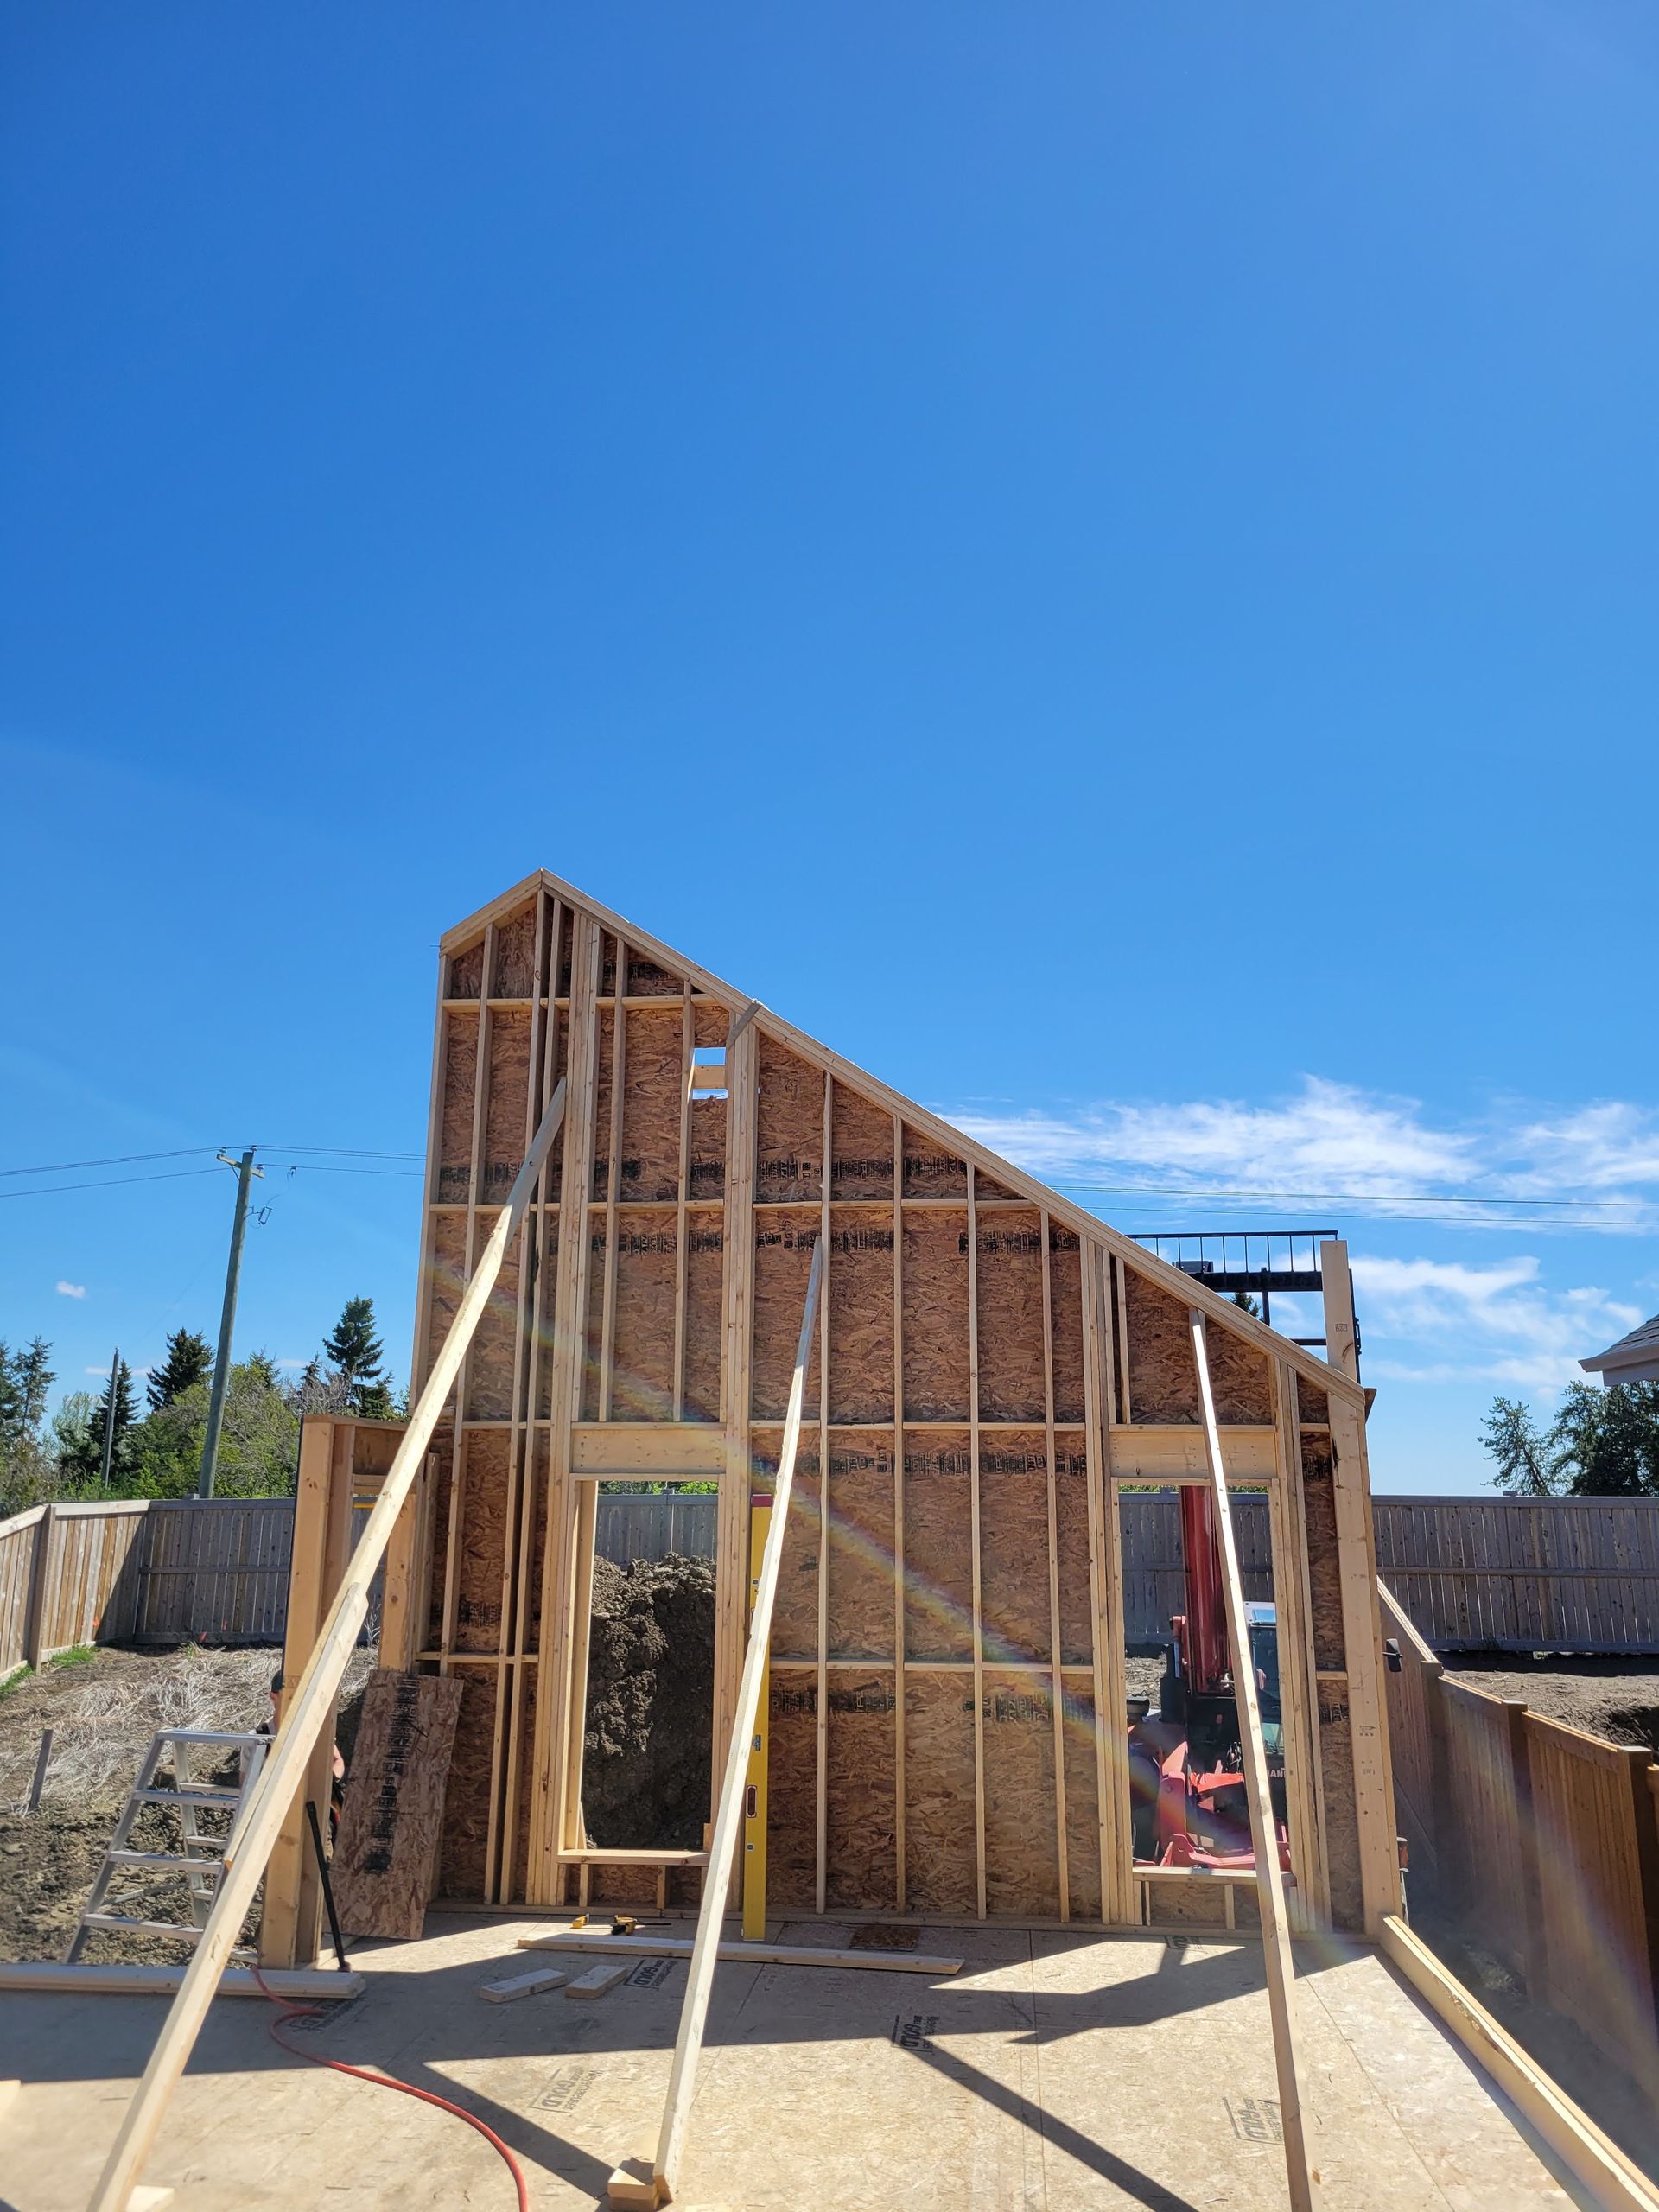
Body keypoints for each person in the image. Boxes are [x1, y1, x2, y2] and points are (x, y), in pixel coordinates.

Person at [263, 1668, 347, 1840]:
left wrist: (325, 1782)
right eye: (290, 1697)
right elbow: (247, 1788)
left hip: (317, 1820)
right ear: (273, 1697)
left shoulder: (314, 1730)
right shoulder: (259, 1738)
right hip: (272, 1826)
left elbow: (337, 1761)